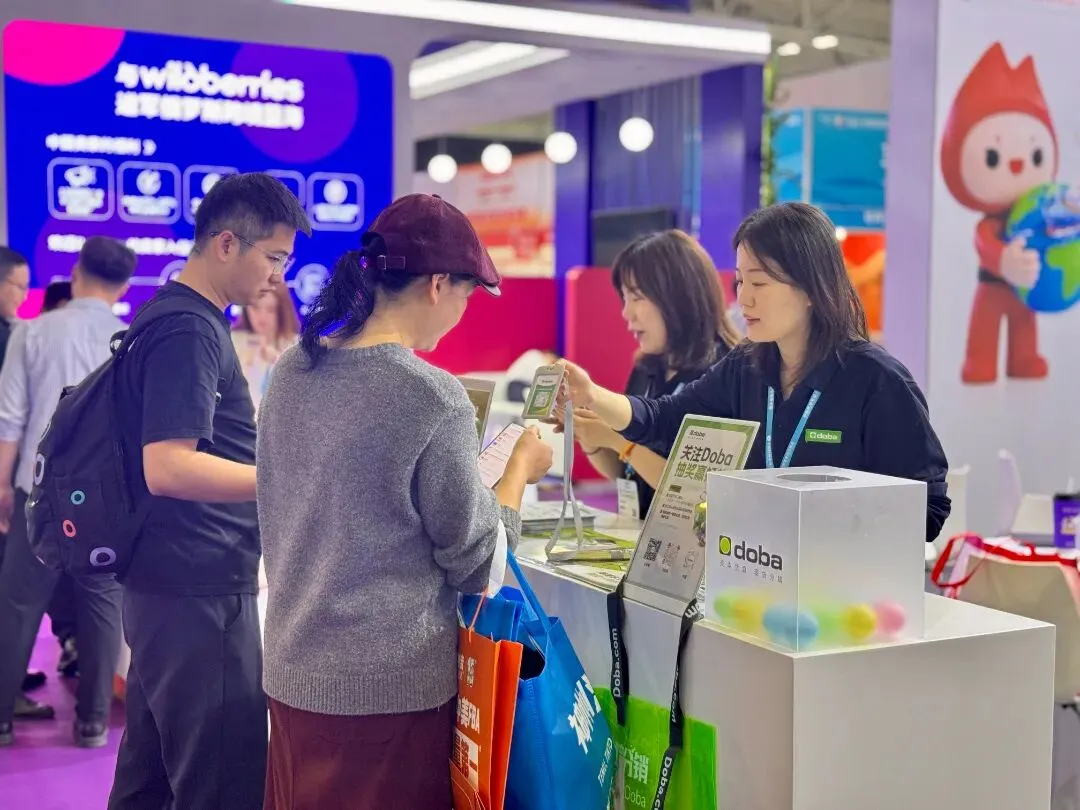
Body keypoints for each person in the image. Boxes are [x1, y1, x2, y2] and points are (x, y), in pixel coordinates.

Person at [257, 193, 554, 810]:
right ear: (438, 285)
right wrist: (518, 474)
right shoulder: (430, 396)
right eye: (468, 295)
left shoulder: (292, 370)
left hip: (291, 675)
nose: (464, 313)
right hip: (388, 694)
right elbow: (479, 565)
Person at [557, 202, 952, 542]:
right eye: (741, 280)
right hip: (756, 578)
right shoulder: (744, 367)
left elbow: (928, 509)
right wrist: (592, 395)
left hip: (844, 590)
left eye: (759, 283)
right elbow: (664, 420)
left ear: (811, 288)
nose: (743, 298)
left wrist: (829, 523)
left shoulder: (877, 381)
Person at [107, 173, 311, 810]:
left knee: (150, 778)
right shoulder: (189, 330)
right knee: (220, 780)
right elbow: (168, 467)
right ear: (226, 244)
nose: (276, 276)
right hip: (197, 589)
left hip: (174, 583)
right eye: (273, 257)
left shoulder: (173, 316)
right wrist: (289, 478)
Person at [0, 236, 136, 748]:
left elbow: (10, 419)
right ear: (123, 286)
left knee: (18, 603)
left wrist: (2, 486)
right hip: (106, 498)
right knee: (102, 604)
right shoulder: (130, 340)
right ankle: (92, 723)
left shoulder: (32, 332)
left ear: (76, 273)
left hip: (37, 488)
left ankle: (1, 720)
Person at [569, 230, 742, 517]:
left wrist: (619, 440)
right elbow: (624, 473)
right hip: (639, 531)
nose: (627, 313)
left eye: (637, 297)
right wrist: (590, 435)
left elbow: (693, 492)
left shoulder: (723, 373)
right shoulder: (647, 368)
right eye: (624, 298)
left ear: (678, 296)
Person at [231, 284, 299, 412]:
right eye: (255, 308)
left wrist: (278, 361)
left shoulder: (297, 346)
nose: (262, 316)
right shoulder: (233, 342)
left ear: (281, 311)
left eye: (270, 310)